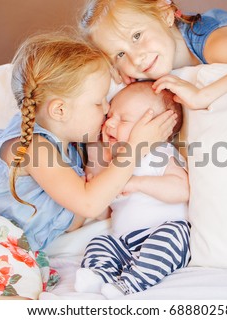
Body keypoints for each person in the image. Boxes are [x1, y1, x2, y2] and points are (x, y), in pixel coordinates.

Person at [0, 32, 177, 299]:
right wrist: (134, 148)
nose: (107, 109)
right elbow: (89, 204)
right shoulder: (35, 148)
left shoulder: (69, 149)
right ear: (60, 110)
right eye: (99, 102)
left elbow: (76, 215)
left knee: (24, 289)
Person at [74, 81, 190, 299]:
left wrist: (137, 183)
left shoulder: (159, 153)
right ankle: (100, 274)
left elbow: (181, 189)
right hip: (124, 243)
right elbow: (104, 211)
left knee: (176, 234)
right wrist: (92, 186)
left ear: (157, 130)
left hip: (159, 233)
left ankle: (130, 283)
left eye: (123, 120)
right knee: (100, 242)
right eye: (109, 118)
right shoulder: (113, 167)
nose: (109, 125)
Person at [79, 0, 227, 110]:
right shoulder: (144, 62)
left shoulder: (209, 41)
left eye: (137, 36)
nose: (136, 58)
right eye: (120, 54)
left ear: (165, 15)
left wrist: (203, 96)